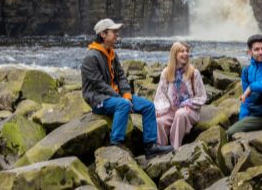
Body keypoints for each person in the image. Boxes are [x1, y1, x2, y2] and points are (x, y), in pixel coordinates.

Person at [81, 18, 174, 159]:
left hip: (116, 97)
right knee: (123, 105)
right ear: (103, 34)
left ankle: (150, 146)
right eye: (114, 32)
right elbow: (99, 85)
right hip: (98, 99)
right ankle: (115, 144)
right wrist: (122, 100)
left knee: (148, 106)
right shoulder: (90, 57)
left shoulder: (112, 54)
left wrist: (127, 95)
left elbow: (121, 77)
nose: (117, 35)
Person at [154, 41, 207, 149]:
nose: (186, 54)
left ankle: (175, 148)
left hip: (190, 110)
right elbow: (161, 94)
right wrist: (160, 110)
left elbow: (202, 96)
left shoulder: (194, 73)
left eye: (187, 51)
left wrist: (189, 102)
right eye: (182, 51)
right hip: (171, 109)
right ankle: (162, 148)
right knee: (159, 121)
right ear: (174, 54)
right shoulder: (166, 72)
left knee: (180, 113)